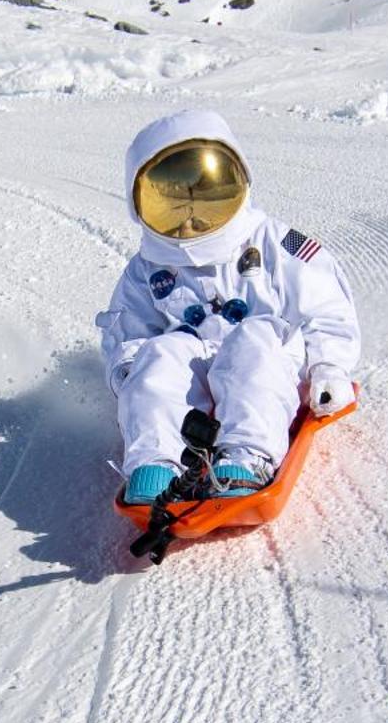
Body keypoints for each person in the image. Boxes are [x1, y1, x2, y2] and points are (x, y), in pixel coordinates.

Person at [96, 109, 360, 502]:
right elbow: (129, 333)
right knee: (160, 353)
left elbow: (325, 306)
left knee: (254, 339)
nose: (193, 219)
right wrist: (133, 375)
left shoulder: (275, 241)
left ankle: (248, 455)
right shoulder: (146, 268)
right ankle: (156, 462)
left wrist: (329, 366)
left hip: (268, 356)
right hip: (194, 367)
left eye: (208, 197)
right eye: (175, 205)